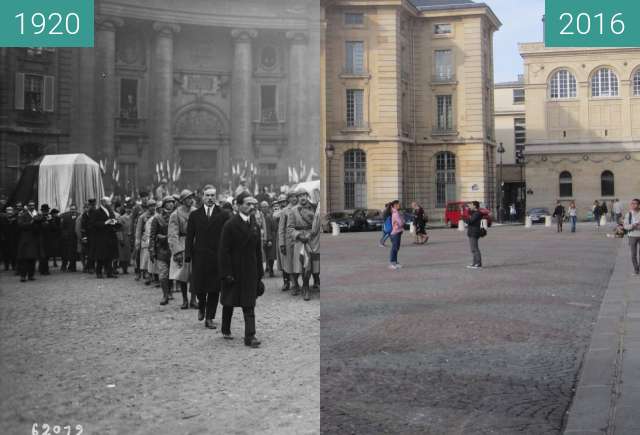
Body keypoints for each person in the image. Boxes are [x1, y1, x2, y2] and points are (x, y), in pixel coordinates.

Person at [219, 192, 264, 347]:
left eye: (253, 204)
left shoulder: (255, 225)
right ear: (238, 206)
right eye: (247, 204)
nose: (251, 207)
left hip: (250, 270)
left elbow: (258, 251)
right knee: (229, 302)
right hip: (234, 270)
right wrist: (226, 273)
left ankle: (250, 336)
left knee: (249, 303)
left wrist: (260, 273)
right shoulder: (230, 225)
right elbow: (223, 251)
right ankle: (225, 328)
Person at [185, 186, 231, 329]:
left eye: (212, 195)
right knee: (199, 287)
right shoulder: (195, 215)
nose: (210, 198)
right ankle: (201, 306)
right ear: (202, 197)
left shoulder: (223, 214)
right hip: (199, 255)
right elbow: (189, 236)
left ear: (215, 197)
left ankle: (209, 317)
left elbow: (227, 236)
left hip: (216, 256)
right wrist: (187, 254)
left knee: (214, 288)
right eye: (207, 195)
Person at [168, 189, 196, 309]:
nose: (191, 200)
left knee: (195, 273)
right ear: (183, 200)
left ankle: (194, 299)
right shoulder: (175, 214)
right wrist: (177, 251)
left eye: (191, 198)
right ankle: (185, 299)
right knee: (183, 275)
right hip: (183, 243)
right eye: (188, 198)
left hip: (195, 244)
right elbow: (173, 234)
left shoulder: (196, 212)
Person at [287, 189, 316, 300]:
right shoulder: (293, 210)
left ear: (307, 196)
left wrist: (310, 235)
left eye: (304, 195)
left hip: (310, 239)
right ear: (297, 198)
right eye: (300, 196)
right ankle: (299, 286)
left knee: (309, 265)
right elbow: (290, 228)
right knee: (300, 264)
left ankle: (306, 287)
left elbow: (316, 224)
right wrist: (298, 235)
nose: (302, 197)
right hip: (299, 240)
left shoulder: (313, 208)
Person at [150, 196, 175, 305]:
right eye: (168, 202)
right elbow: (152, 236)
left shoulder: (175, 216)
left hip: (173, 249)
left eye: (172, 202)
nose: (171, 204)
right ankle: (165, 295)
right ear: (164, 204)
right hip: (161, 249)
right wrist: (151, 250)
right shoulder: (157, 218)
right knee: (163, 273)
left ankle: (169, 291)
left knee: (171, 273)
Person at [91, 197, 120, 278]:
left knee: (109, 255)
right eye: (108, 202)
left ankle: (109, 272)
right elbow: (93, 224)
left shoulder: (110, 211)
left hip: (110, 236)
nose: (110, 204)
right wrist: (105, 223)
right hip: (101, 237)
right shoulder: (97, 212)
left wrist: (114, 222)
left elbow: (113, 218)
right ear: (103, 203)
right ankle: (99, 272)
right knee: (101, 256)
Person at [16, 201, 42, 282]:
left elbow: (39, 228)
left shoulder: (37, 214)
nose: (32, 207)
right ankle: (23, 276)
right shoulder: (23, 214)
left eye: (33, 205)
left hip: (34, 239)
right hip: (25, 239)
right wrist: (31, 222)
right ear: (27, 206)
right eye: (30, 205)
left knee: (32, 258)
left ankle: (31, 275)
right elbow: (20, 225)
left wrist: (39, 221)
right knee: (24, 259)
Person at [278, 192, 298, 291]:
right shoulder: (284, 211)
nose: (294, 198)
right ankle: (293, 284)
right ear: (288, 199)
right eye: (292, 197)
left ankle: (299, 282)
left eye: (295, 196)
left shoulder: (300, 208)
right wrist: (282, 244)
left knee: (299, 262)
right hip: (288, 241)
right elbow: (281, 229)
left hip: (299, 239)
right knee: (290, 263)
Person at [260, 201, 278, 278]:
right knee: (263, 255)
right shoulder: (258, 216)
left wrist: (270, 239)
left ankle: (270, 269)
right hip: (261, 238)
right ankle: (264, 268)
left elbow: (272, 228)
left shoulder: (270, 216)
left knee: (270, 255)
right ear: (260, 208)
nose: (265, 208)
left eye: (266, 207)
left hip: (270, 237)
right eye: (263, 207)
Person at [60, 205, 79, 272]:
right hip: (67, 238)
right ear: (69, 209)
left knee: (73, 253)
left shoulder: (79, 215)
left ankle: (72, 267)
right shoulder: (65, 216)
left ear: (76, 209)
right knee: (65, 253)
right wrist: (65, 234)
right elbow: (62, 227)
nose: (73, 210)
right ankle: (63, 266)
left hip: (75, 238)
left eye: (74, 209)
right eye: (71, 209)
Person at [623, 198, 640, 275]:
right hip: (632, 236)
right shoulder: (628, 214)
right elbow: (625, 226)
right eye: (632, 203)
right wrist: (633, 225)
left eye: (635, 203)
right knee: (633, 254)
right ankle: (636, 270)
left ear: (639, 205)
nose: (633, 205)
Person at [466, 201, 483, 270]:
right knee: (473, 249)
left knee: (475, 248)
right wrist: (468, 208)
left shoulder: (477, 213)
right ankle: (474, 263)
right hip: (472, 232)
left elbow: (470, 221)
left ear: (475, 206)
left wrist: (464, 218)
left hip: (474, 232)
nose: (470, 206)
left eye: (471, 205)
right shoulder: (474, 212)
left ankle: (478, 264)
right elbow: (470, 213)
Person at [1, 206, 18, 272]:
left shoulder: (15, 219)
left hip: (13, 238)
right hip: (5, 238)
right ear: (6, 211)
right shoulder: (2, 218)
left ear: (13, 211)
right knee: (5, 252)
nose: (9, 211)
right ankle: (6, 266)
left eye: (10, 210)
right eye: (8, 210)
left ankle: (14, 266)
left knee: (13, 252)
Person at [116, 205, 132, 274]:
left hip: (129, 238)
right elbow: (118, 230)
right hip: (123, 238)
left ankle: (126, 268)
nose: (129, 210)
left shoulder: (132, 217)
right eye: (127, 208)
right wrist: (120, 239)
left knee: (128, 254)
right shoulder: (121, 218)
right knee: (122, 255)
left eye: (130, 208)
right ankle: (123, 269)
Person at [389, 200, 404, 270]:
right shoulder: (395, 213)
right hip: (395, 233)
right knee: (394, 248)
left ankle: (395, 262)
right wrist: (402, 221)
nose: (399, 205)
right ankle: (392, 262)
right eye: (398, 204)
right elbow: (400, 222)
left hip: (398, 232)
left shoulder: (396, 212)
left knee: (396, 248)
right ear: (395, 205)